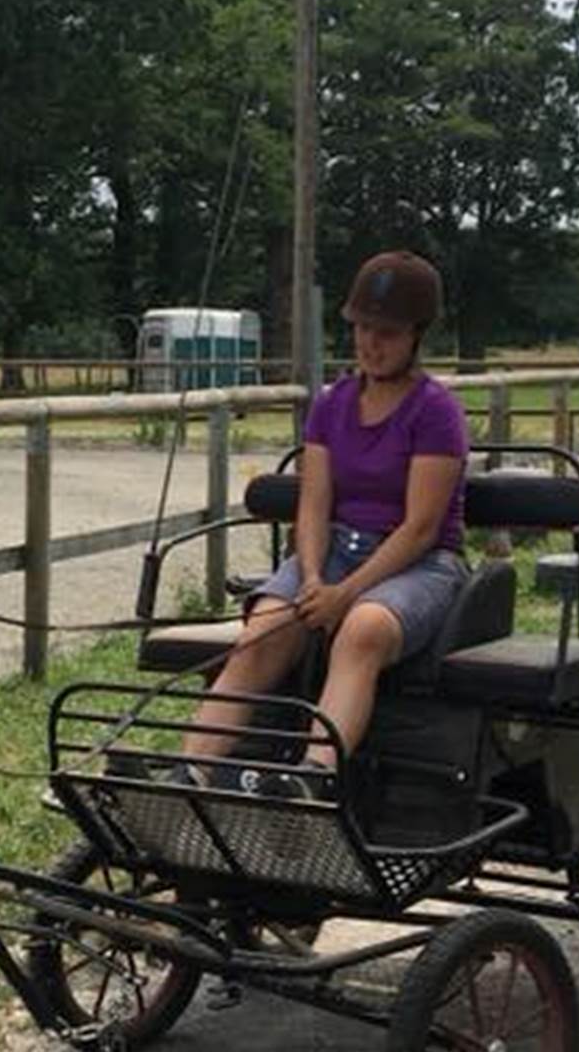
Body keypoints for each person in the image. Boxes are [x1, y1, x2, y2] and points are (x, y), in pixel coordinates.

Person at [180, 250, 469, 799]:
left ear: (416, 334)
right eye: (361, 328)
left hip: (418, 564)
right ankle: (189, 772)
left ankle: (313, 777)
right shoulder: (331, 405)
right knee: (263, 628)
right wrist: (312, 578)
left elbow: (419, 528)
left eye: (385, 331)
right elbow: (313, 506)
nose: (369, 343)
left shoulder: (436, 411)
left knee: (361, 630)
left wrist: (344, 595)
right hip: (332, 552)